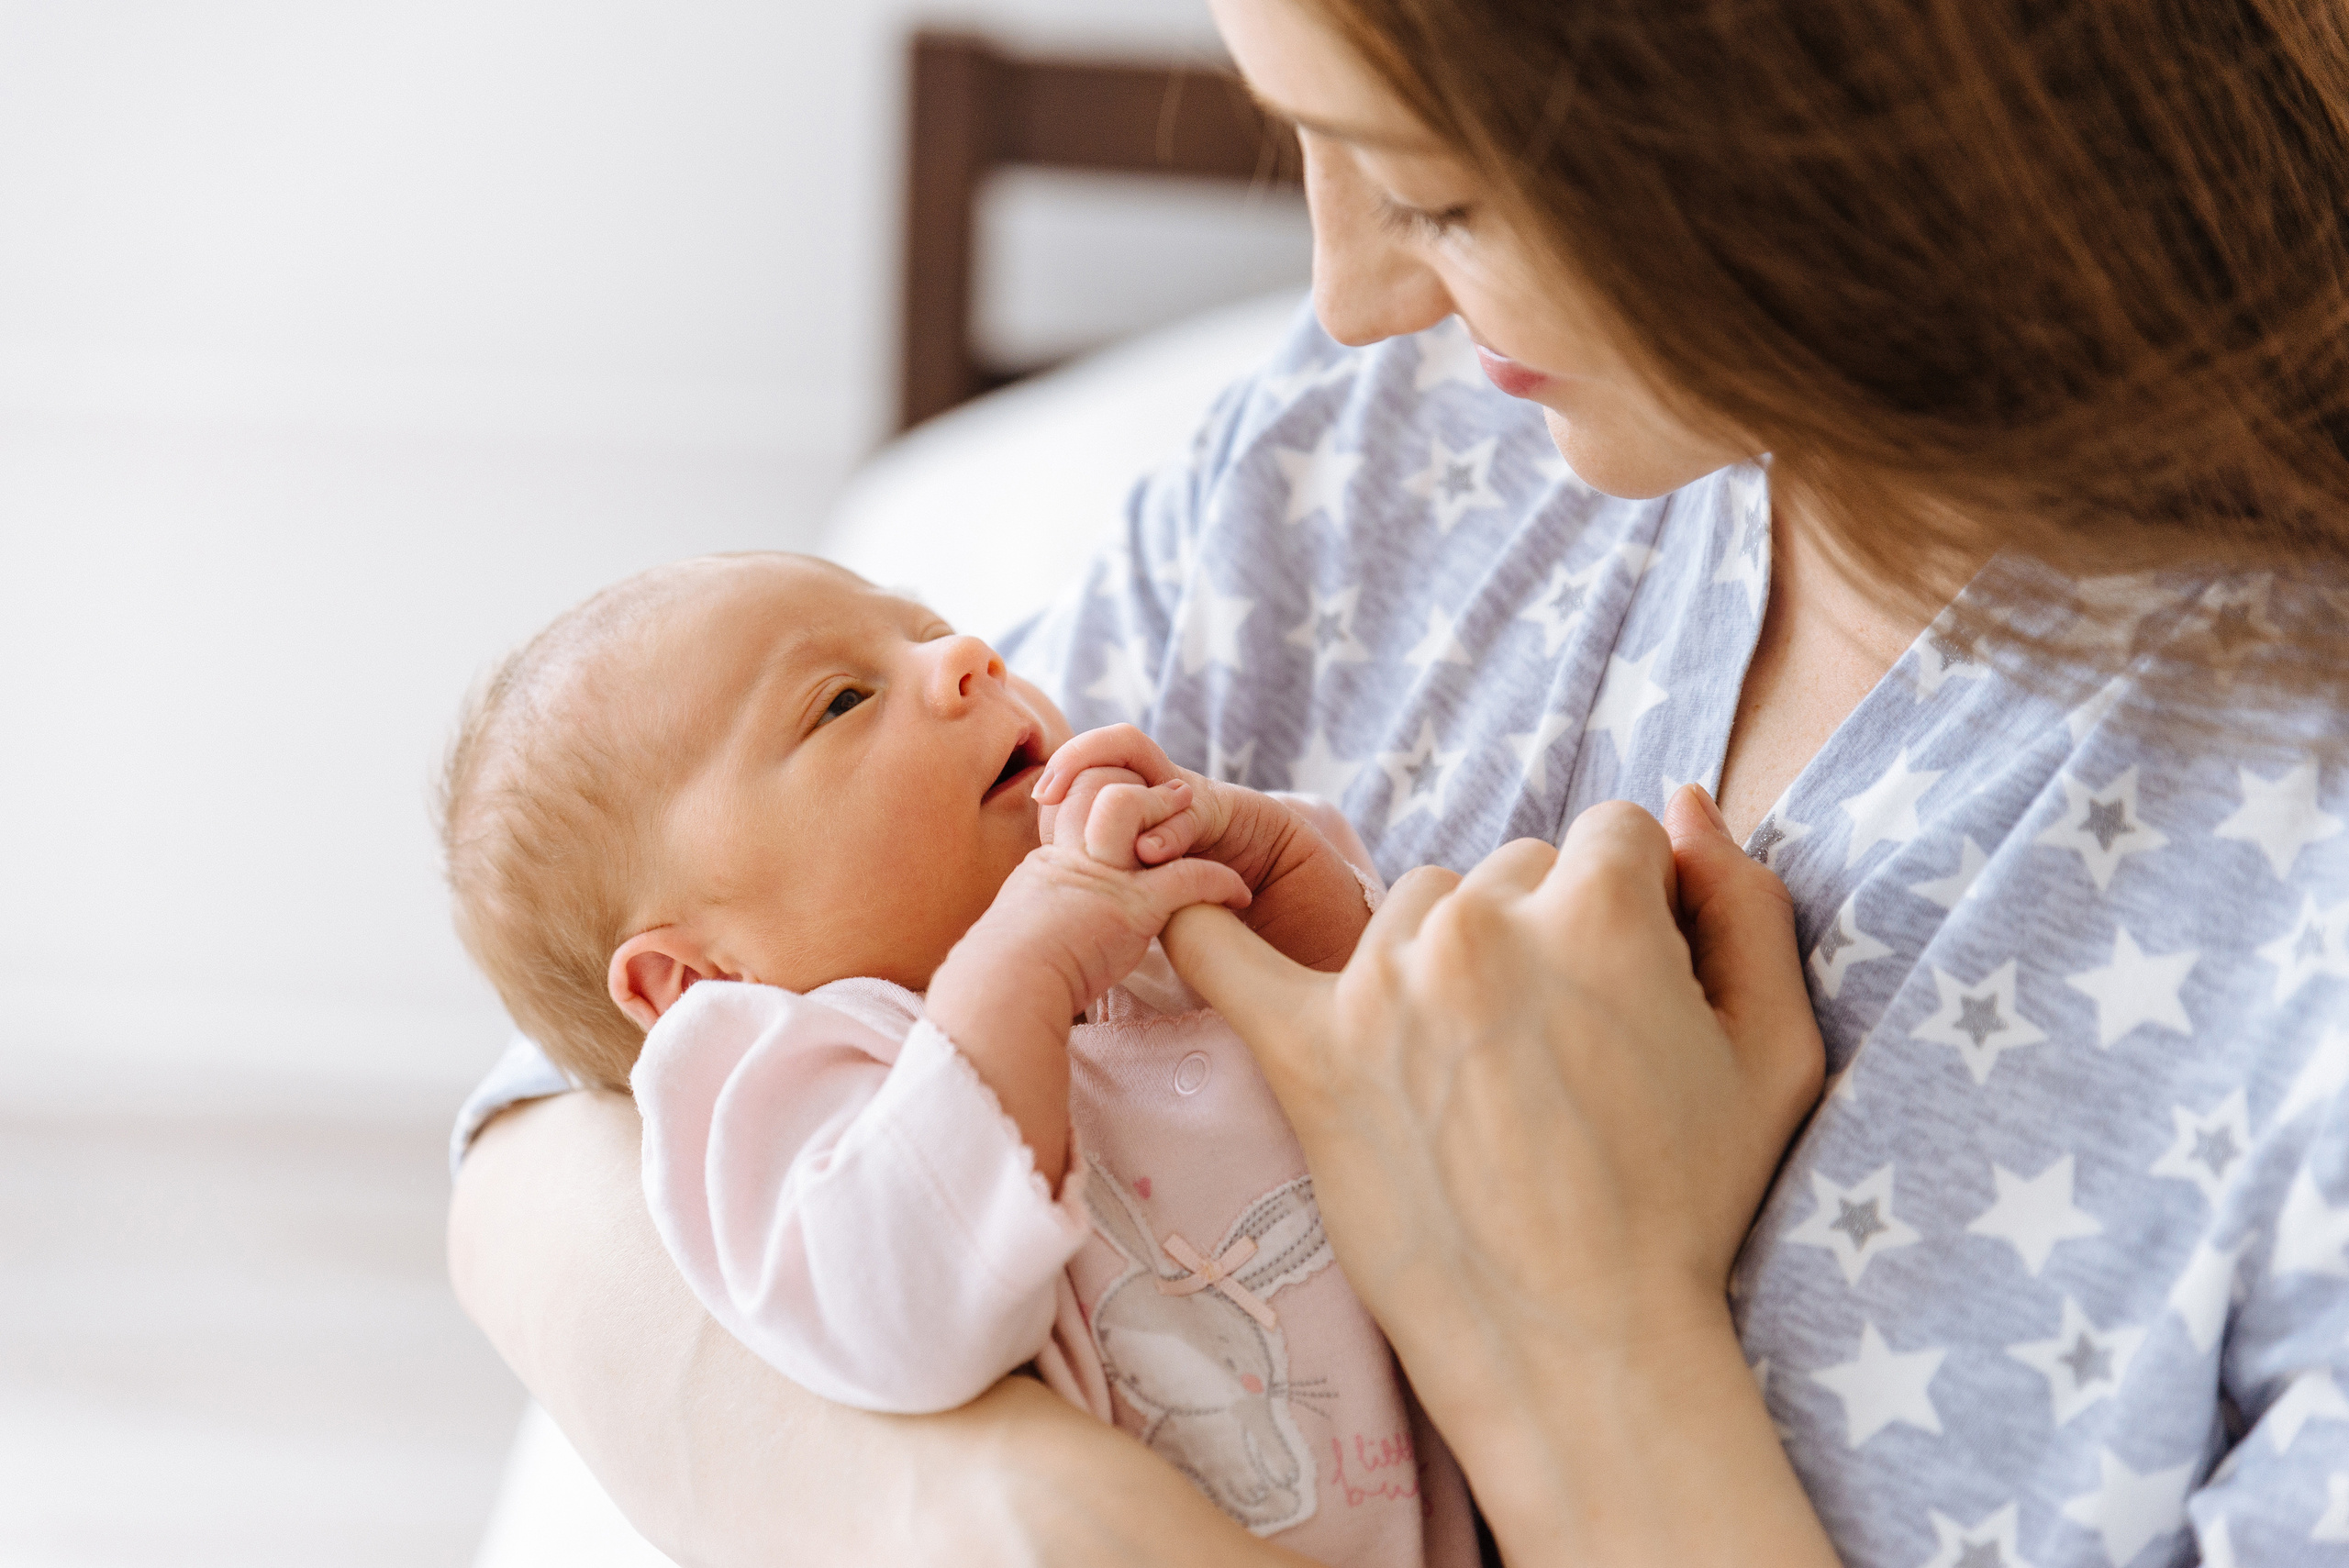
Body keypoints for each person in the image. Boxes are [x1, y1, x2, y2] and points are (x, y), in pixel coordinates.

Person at [447, 0, 2349, 1562]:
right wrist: (1000, 1508)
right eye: (1296, 128)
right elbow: (558, 1100)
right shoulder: (1377, 443)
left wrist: (1572, 1332)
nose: (1348, 295)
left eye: (1434, 193)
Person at [438, 552, 1477, 1565]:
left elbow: (1402, 1066)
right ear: (697, 982)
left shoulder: (1148, 910)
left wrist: (1282, 871)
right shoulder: (806, 1090)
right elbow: (905, 1316)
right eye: (842, 701)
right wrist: (1025, 965)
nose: (971, 657)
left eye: (929, 629)